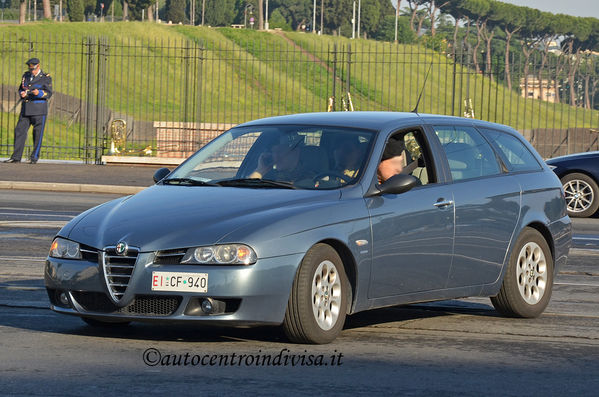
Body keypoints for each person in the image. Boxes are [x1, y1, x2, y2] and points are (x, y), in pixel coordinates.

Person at [4, 58, 53, 164]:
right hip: (26, 109)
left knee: (37, 134)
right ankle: (16, 157)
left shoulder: (45, 78)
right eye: (30, 69)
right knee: (19, 131)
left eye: (33, 69)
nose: (32, 71)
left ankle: (34, 157)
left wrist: (38, 93)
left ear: (38, 67)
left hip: (39, 109)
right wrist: (22, 93)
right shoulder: (25, 76)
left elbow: (48, 93)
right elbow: (21, 88)